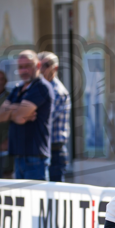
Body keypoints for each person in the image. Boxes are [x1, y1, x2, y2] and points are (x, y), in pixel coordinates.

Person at [0, 49, 53, 181]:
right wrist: (17, 109)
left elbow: (21, 118)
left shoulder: (41, 87)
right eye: (21, 67)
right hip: (19, 156)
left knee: (36, 200)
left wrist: (10, 111)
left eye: (28, 66)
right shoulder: (17, 89)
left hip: (35, 158)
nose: (24, 70)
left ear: (38, 66)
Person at [38, 51, 71, 182]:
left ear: (55, 68)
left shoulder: (57, 91)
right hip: (43, 150)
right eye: (38, 65)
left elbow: (43, 118)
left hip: (55, 151)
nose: (40, 69)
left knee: (55, 197)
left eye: (45, 65)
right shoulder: (40, 87)